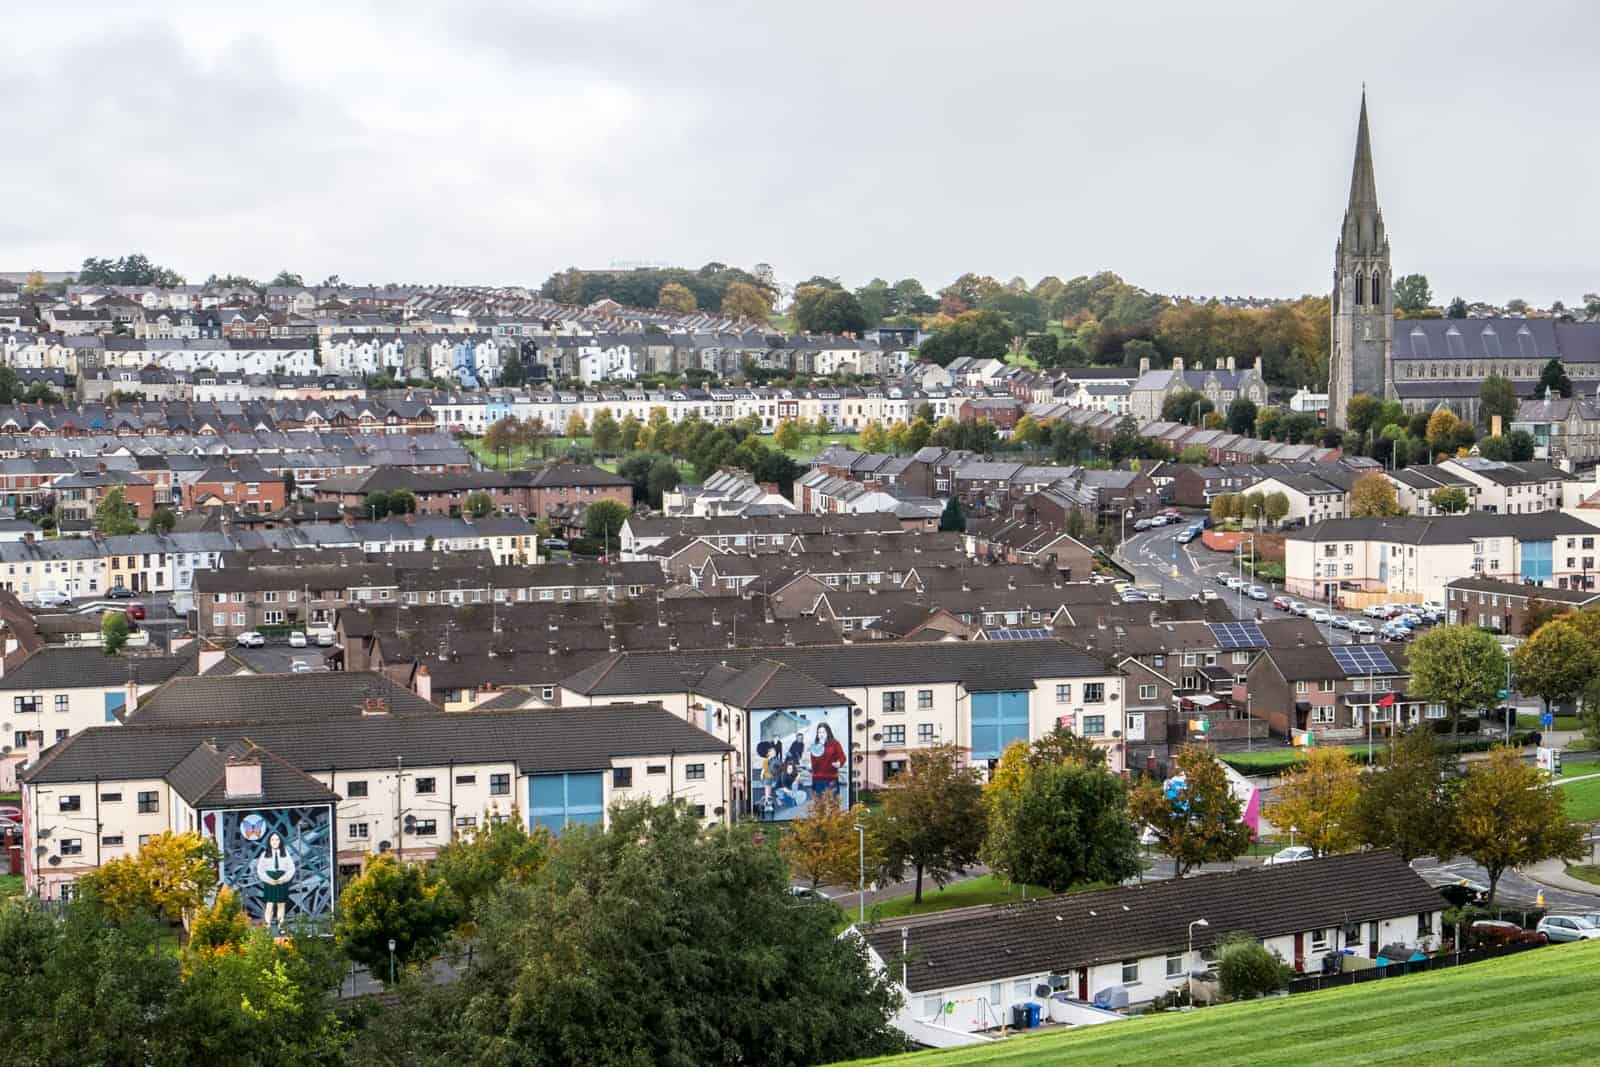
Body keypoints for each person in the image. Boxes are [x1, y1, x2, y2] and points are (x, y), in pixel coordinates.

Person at [255, 831, 296, 929]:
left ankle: (281, 926)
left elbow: (292, 868)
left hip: (282, 880)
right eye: (272, 839)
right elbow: (260, 870)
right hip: (270, 881)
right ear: (269, 841)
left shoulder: (285, 853)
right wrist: (269, 880)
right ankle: (267, 926)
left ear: (280, 841)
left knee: (281, 904)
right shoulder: (264, 854)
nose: (275, 842)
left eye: (277, 839)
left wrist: (284, 879)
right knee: (269, 904)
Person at [808, 723, 846, 800]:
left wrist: (839, 763)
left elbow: (842, 757)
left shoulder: (835, 743)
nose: (821, 734)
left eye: (823, 732)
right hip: (818, 779)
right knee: (820, 806)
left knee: (833, 804)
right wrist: (820, 747)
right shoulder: (815, 746)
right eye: (819, 732)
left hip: (831, 778)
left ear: (828, 732)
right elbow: (814, 764)